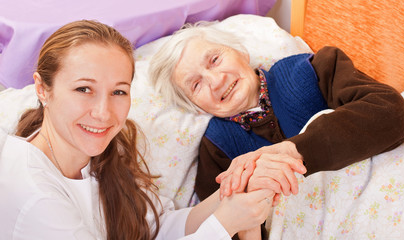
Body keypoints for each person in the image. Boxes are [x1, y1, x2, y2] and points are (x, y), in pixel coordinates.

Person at [0, 20, 275, 240]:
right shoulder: (30, 192)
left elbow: (158, 228)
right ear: (42, 89)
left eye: (118, 91)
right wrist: (224, 224)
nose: (103, 112)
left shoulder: (97, 159)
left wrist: (231, 192)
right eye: (84, 89)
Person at [149, 21, 404, 239]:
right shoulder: (217, 148)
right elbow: (220, 229)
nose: (216, 81)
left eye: (215, 60)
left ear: (241, 52)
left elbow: (389, 113)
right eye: (196, 85)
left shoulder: (313, 69)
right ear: (194, 107)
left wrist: (292, 151)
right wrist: (248, 223)